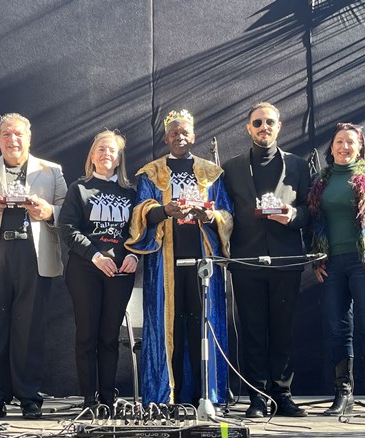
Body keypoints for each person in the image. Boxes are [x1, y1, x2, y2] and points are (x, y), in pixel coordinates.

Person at [125, 109, 233, 407]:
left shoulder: (212, 173)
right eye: (174, 132)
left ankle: (205, 395)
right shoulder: (151, 172)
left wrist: (208, 214)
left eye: (184, 131)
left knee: (202, 325)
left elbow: (226, 215)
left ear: (193, 136)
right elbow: (140, 212)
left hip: (202, 263)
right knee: (169, 327)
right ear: (166, 137)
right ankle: (165, 396)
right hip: (164, 263)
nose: (179, 136)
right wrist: (164, 211)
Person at [0, 113, 67, 419]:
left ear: (29, 138)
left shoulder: (51, 171)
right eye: (6, 135)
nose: (13, 140)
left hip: (33, 253)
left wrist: (48, 211)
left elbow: (68, 214)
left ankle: (29, 397)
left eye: (18, 134)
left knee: (30, 328)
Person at [222, 102, 310, 418]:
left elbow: (311, 213)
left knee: (283, 332)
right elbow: (223, 213)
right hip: (247, 261)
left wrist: (294, 215)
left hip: (286, 261)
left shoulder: (299, 166)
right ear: (248, 128)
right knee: (253, 332)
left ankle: (283, 395)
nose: (263, 127)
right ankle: (258, 397)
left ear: (279, 125)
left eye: (269, 122)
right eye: (257, 122)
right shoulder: (230, 168)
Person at [308, 123, 365, 418]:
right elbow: (315, 222)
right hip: (332, 263)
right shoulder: (322, 180)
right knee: (337, 329)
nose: (345, 147)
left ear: (360, 147)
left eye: (350, 142)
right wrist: (317, 261)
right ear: (331, 147)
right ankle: (343, 394)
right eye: (339, 142)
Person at [59, 130, 138, 410]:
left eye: (112, 151)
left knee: (109, 337)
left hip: (120, 273)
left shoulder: (131, 193)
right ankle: (89, 399)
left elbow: (138, 231)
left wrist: (133, 256)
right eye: (101, 149)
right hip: (86, 271)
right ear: (92, 156)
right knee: (87, 335)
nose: (106, 154)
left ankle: (108, 398)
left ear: (118, 160)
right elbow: (67, 229)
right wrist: (95, 256)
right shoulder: (78, 189)